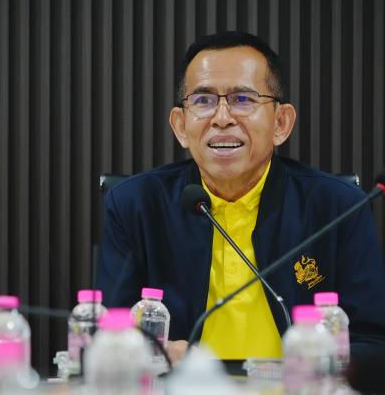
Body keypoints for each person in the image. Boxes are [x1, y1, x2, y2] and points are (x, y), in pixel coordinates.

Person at [97, 31, 385, 366]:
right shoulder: (135, 205)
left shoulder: (338, 208)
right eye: (203, 101)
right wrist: (159, 356)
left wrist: (316, 365)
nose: (222, 118)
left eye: (243, 99)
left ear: (281, 122)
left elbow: (375, 344)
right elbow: (106, 338)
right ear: (180, 126)